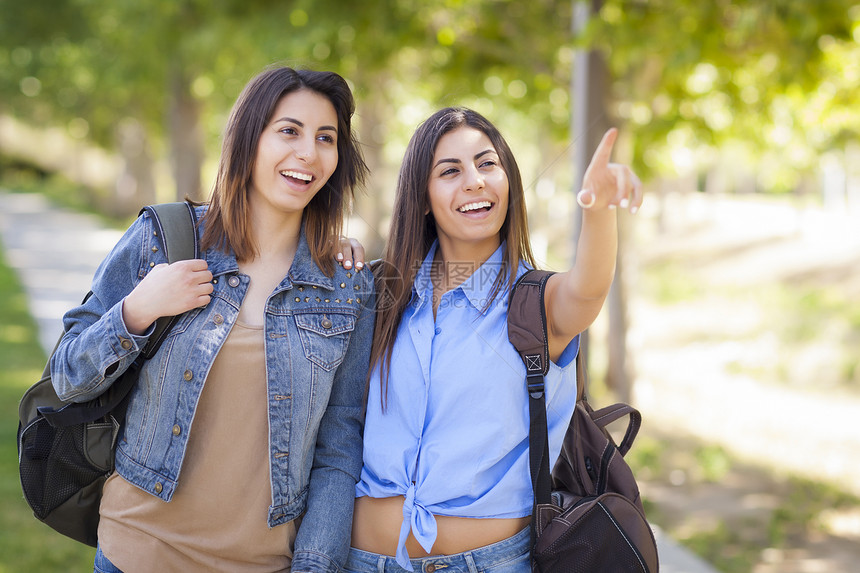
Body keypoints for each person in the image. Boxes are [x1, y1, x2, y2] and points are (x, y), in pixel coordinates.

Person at [50, 66, 374, 573]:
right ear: (248, 138)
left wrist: (316, 565)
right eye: (288, 130)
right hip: (138, 552)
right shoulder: (165, 238)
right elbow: (67, 375)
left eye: (325, 138)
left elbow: (339, 447)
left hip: (266, 563)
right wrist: (138, 309)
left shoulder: (348, 285)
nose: (308, 153)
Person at [347, 107, 642, 572]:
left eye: (488, 164)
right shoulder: (386, 298)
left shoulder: (538, 303)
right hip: (361, 562)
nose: (475, 181)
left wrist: (598, 212)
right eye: (450, 171)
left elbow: (588, 288)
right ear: (422, 198)